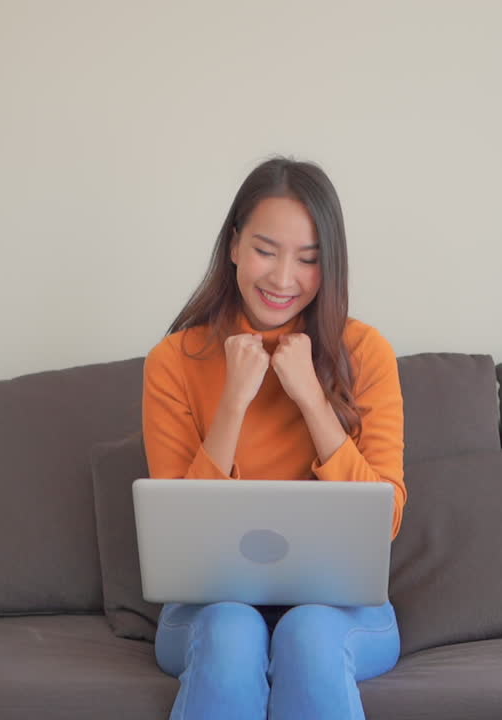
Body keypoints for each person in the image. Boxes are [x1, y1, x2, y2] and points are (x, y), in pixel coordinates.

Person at [141, 156, 407, 720]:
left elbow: (382, 520)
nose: (284, 279)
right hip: (206, 610)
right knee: (233, 629)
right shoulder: (173, 362)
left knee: (308, 632)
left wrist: (311, 398)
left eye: (308, 260)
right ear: (234, 245)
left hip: (340, 610)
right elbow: (177, 532)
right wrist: (234, 401)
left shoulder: (367, 353)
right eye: (266, 251)